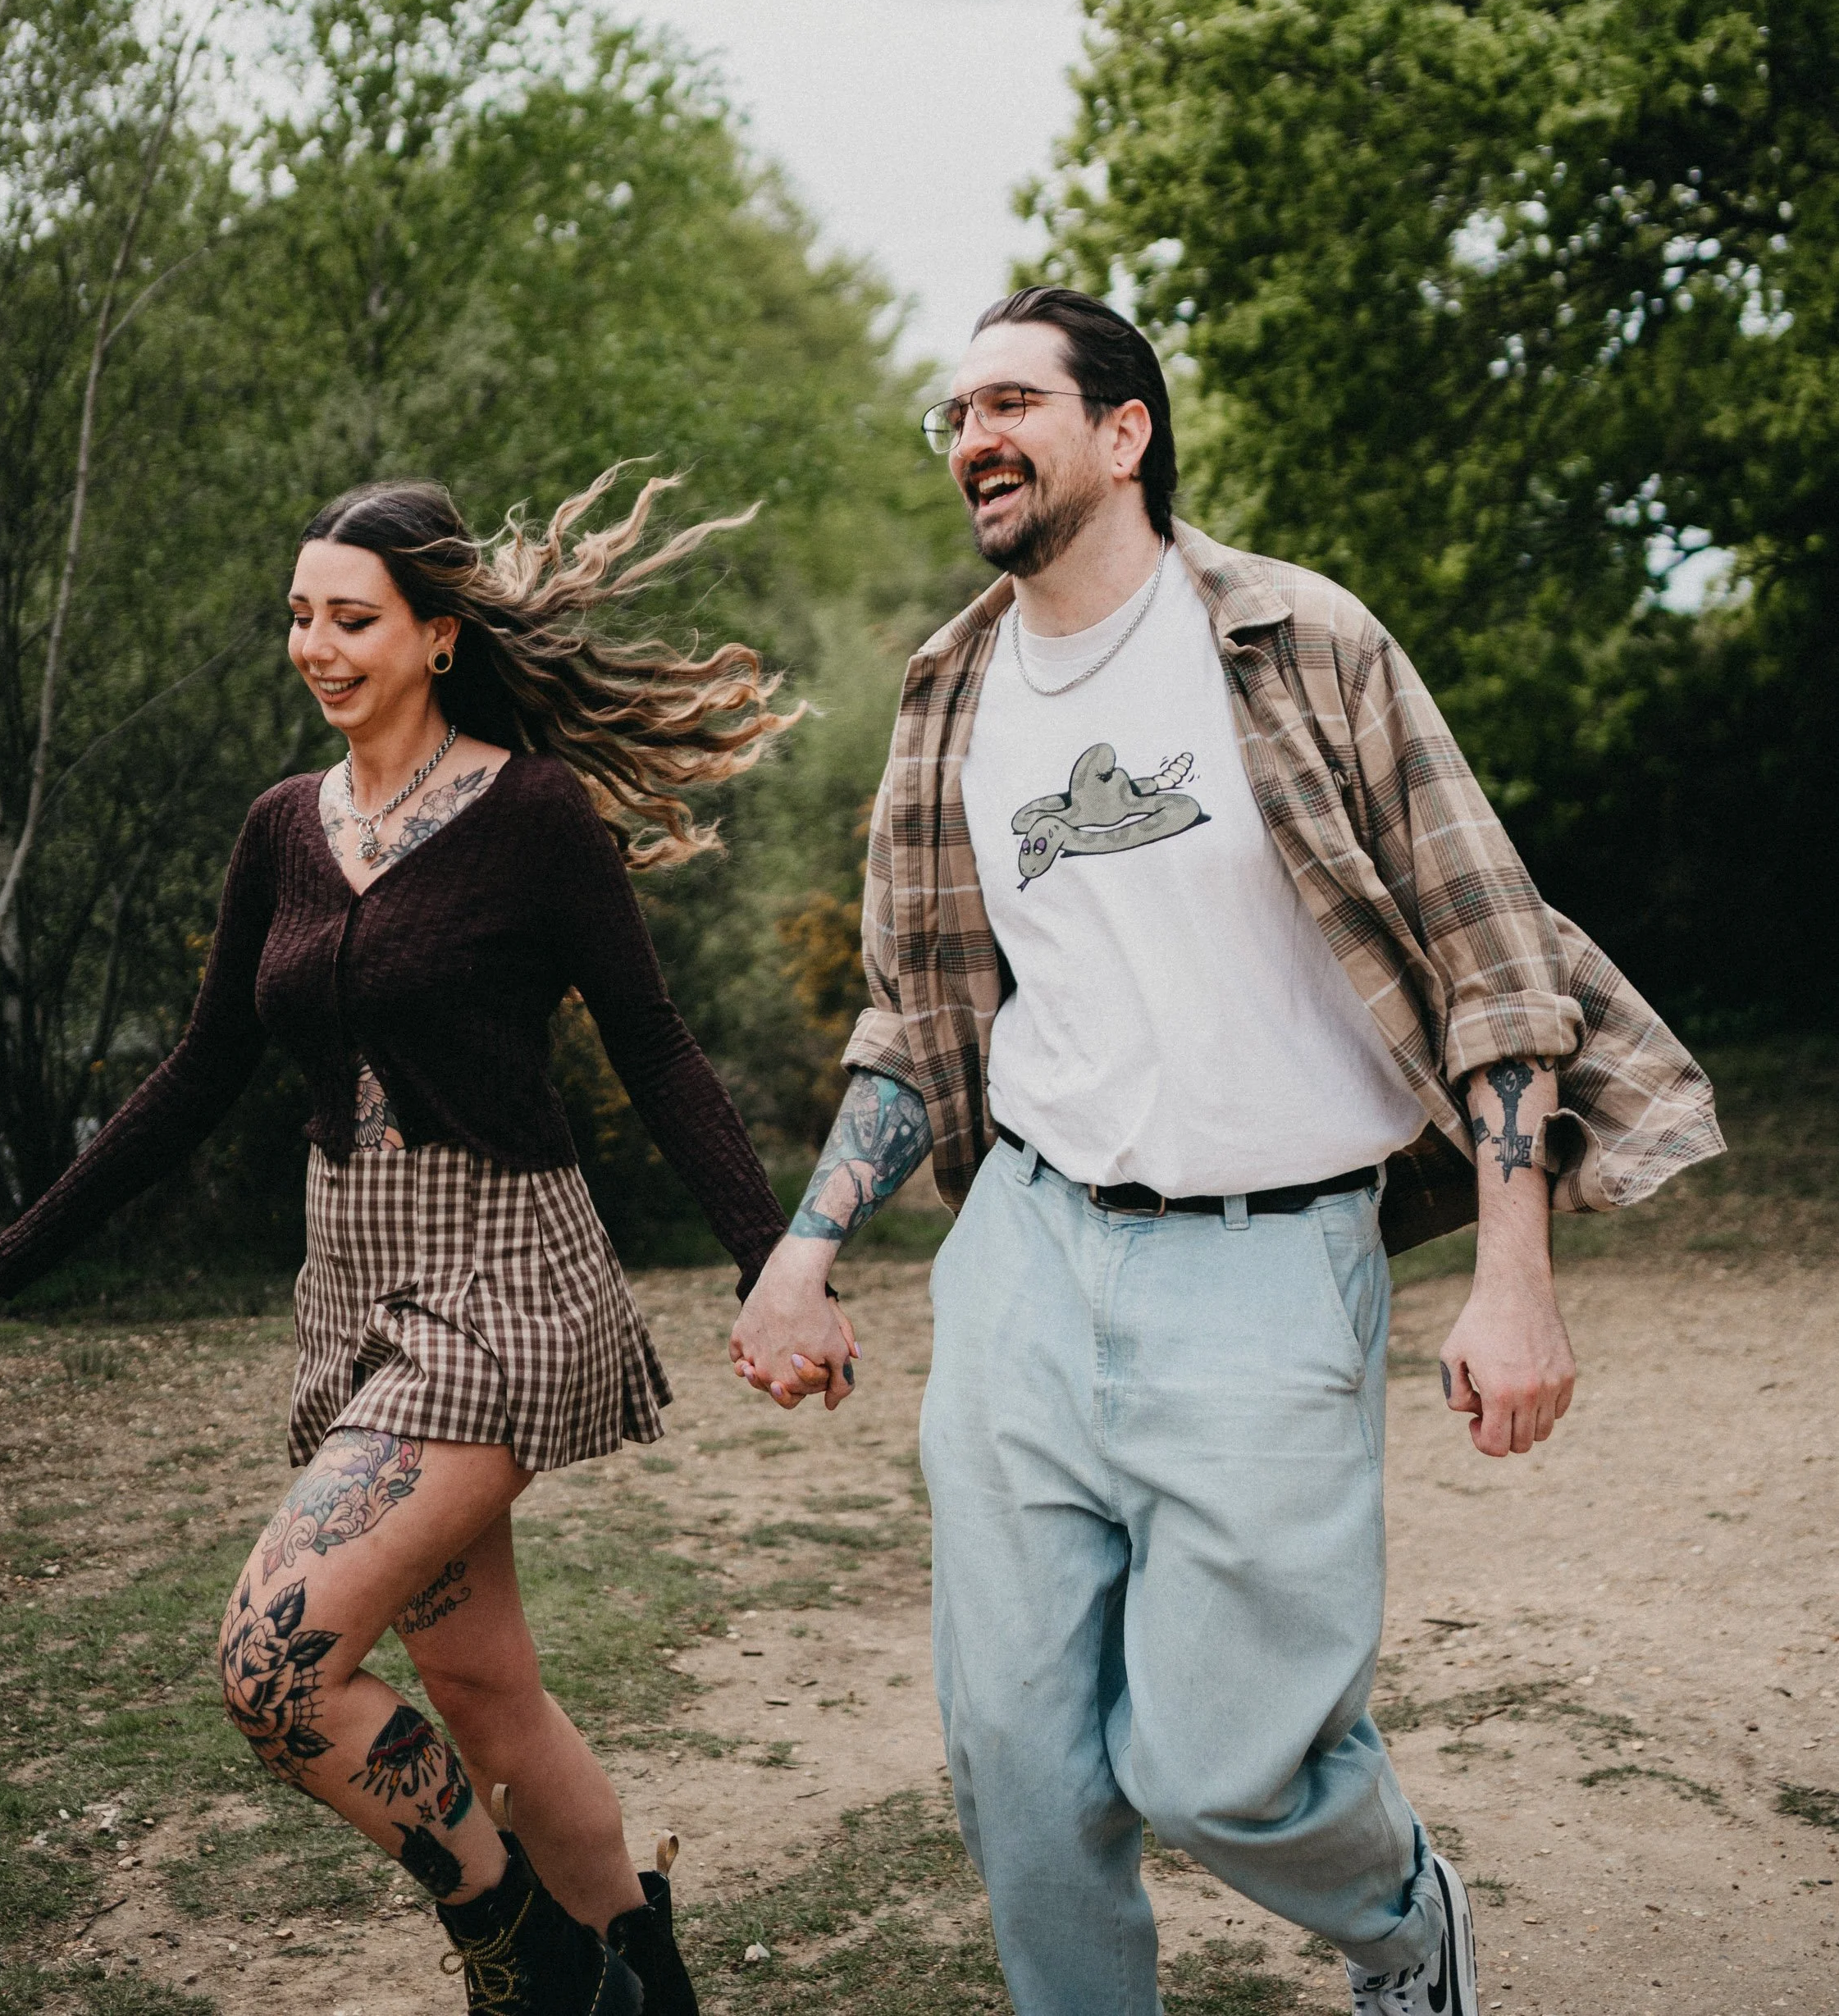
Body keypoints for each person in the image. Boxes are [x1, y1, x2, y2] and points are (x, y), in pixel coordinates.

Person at [731, 285, 1723, 2016]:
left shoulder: (1295, 638)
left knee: (1218, 1767)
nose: (970, 434)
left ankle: (1404, 1923)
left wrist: (1513, 1284)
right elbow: (917, 1008)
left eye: (1010, 402)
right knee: (1017, 1768)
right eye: (952, 410)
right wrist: (804, 1248)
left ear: (1120, 434)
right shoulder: (949, 689)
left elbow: (1494, 964)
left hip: (1270, 1263)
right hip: (1028, 1254)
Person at [0, 473, 832, 2016]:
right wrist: (19, 1251)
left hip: (504, 1281)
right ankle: (640, 1986)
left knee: (274, 1665)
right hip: (353, 1291)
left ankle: (530, 1956)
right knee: (484, 1692)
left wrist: (774, 1258)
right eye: (299, 617)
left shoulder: (533, 815)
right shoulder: (284, 825)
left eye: (352, 618)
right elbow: (201, 1069)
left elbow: (658, 1045)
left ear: (438, 634)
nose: (317, 646)